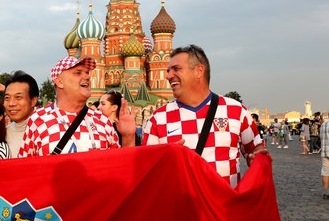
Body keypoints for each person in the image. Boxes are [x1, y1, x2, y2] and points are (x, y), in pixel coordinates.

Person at [142, 44, 267, 188]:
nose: (168, 76)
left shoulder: (235, 111)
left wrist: (257, 158)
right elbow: (146, 169)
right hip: (180, 207)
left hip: (224, 207)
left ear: (199, 71)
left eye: (176, 69)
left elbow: (255, 149)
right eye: (168, 71)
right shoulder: (158, 118)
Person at [19, 56, 136, 157]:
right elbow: (24, 168)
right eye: (78, 73)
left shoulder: (102, 121)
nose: (87, 77)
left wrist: (128, 137)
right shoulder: (39, 119)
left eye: (87, 73)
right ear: (59, 82)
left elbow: (120, 167)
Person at [0, 71, 40, 158]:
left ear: (33, 101)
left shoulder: (46, 130)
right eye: (7, 98)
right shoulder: (2, 133)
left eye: (18, 97)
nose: (11, 103)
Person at [319, 119, 329, 199]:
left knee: (325, 172)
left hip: (325, 151)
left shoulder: (323, 125)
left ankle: (326, 192)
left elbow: (321, 138)